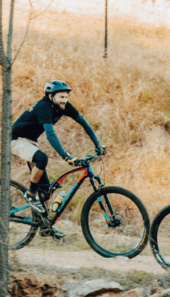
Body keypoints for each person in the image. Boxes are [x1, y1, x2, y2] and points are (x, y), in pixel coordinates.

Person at [11, 80, 106, 238]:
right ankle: (31, 194)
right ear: (50, 96)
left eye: (66, 96)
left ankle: (45, 227)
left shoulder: (63, 106)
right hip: (15, 139)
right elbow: (50, 134)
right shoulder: (44, 107)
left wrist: (98, 144)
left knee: (46, 189)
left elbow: (84, 123)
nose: (64, 100)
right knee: (42, 159)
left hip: (30, 141)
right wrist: (66, 156)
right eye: (61, 97)